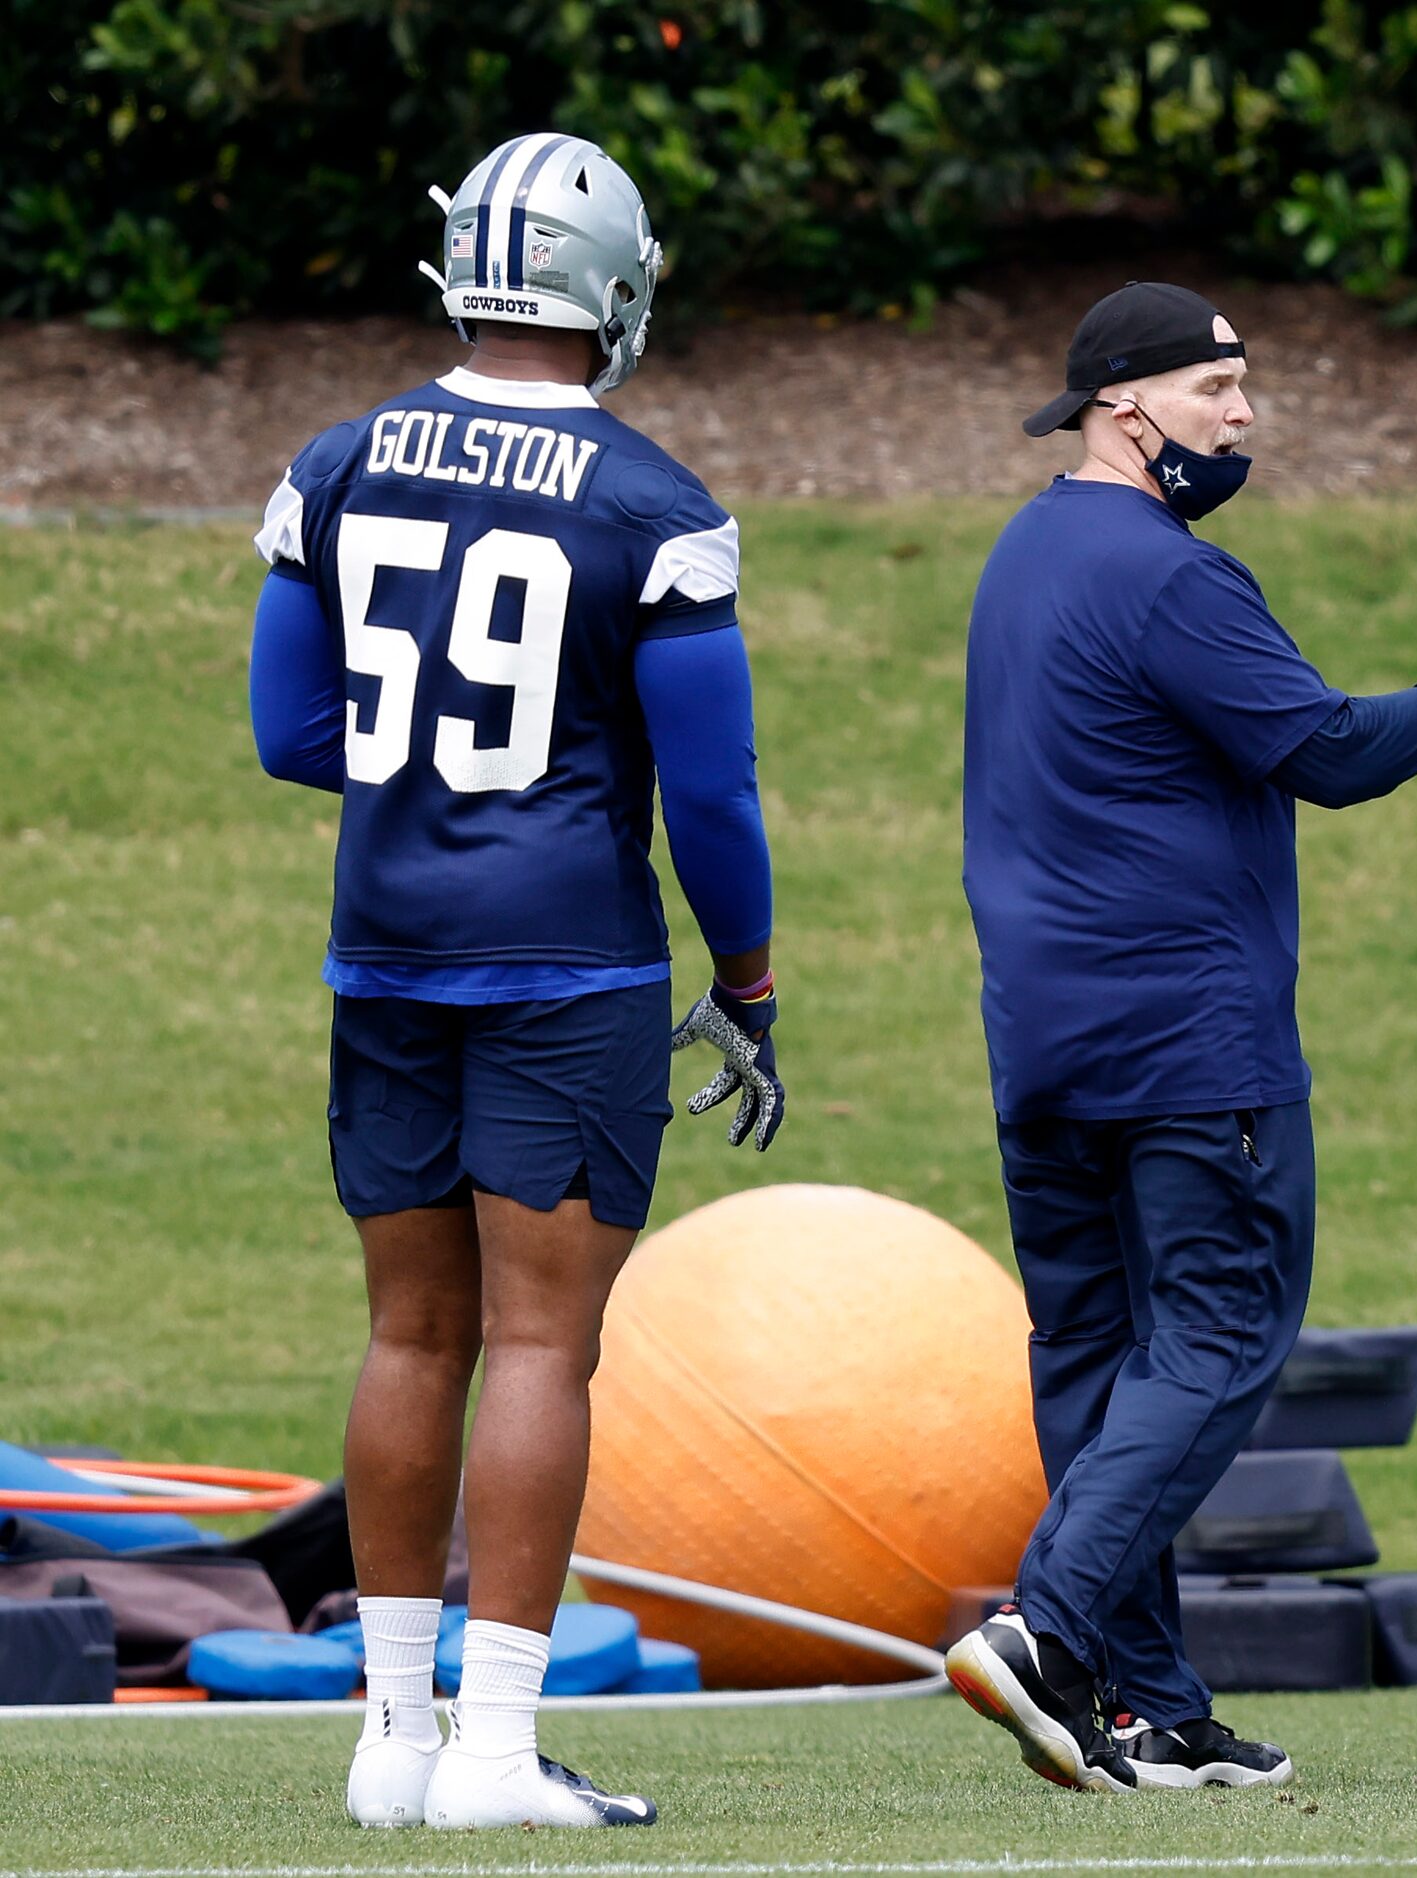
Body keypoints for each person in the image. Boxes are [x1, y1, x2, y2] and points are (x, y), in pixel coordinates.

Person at [942, 281, 1417, 1793]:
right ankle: (1043, 1630)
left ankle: (1144, 1704)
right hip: (1186, 1044)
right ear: (1123, 409)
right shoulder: (1169, 577)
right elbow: (1333, 753)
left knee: (1099, 1368)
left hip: (1043, 1042)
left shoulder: (1025, 554)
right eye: (1216, 388)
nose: (1244, 416)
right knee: (1221, 1339)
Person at [246, 133, 785, 1831]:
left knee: (411, 1334)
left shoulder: (336, 464)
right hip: (566, 966)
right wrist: (750, 978)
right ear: (610, 286)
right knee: (543, 1345)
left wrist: (440, 784)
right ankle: (490, 1751)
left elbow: (290, 731)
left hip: (385, 949)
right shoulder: (655, 506)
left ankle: (389, 1738)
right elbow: (709, 795)